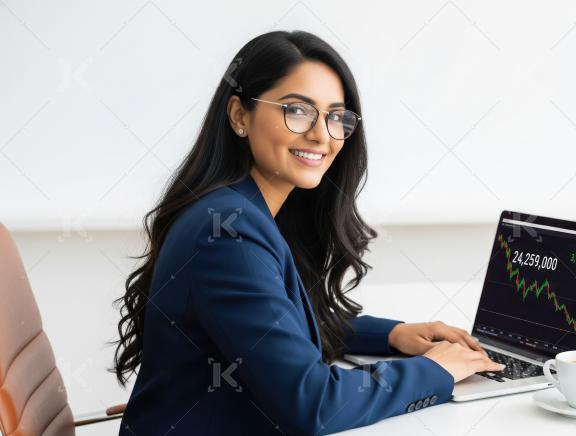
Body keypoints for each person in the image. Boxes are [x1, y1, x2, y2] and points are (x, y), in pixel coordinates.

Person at [112, 30, 504, 435]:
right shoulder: (228, 231)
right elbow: (315, 404)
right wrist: (434, 370)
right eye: (297, 110)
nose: (321, 134)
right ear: (240, 116)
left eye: (336, 116)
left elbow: (278, 324)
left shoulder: (236, 210)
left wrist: (391, 334)